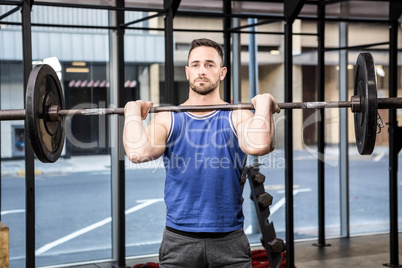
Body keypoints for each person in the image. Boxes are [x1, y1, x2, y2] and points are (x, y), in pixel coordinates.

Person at [123, 38, 280, 268]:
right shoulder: (168, 118)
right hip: (179, 241)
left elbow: (259, 145)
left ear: (222, 72)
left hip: (230, 241)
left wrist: (264, 104)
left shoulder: (237, 115)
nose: (202, 71)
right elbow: (137, 152)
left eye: (209, 64)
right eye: (195, 65)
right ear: (187, 72)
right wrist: (132, 112)